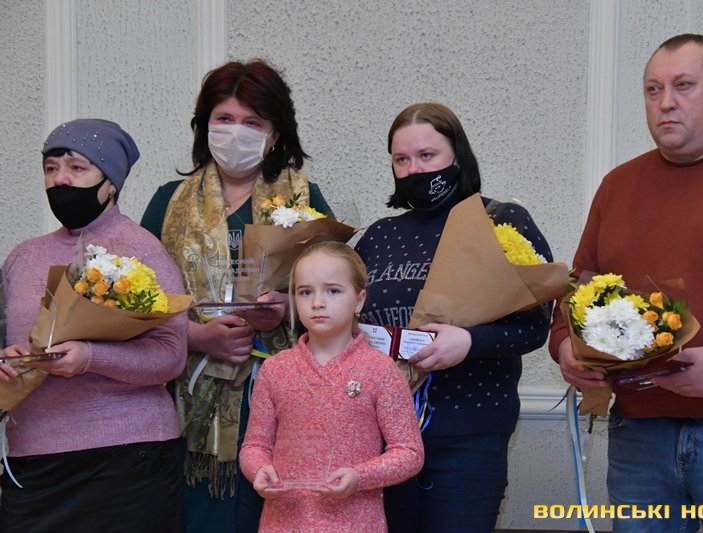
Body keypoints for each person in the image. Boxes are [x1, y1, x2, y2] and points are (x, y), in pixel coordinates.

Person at [549, 34, 703, 532]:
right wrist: (564, 348)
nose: (665, 102)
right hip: (637, 431)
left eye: (684, 85)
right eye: (653, 89)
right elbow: (580, 287)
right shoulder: (617, 185)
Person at [140, 58, 335, 532]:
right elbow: (141, 303)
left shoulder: (305, 200)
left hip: (278, 390)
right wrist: (195, 336)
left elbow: (340, 292)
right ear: (204, 125)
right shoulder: (168, 202)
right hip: (190, 393)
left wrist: (289, 309)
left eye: (252, 122)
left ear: (275, 134)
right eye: (224, 119)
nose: (236, 132)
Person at [354, 102, 554, 532]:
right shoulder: (378, 236)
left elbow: (536, 324)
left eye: (427, 155)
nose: (414, 169)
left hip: (470, 435)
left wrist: (469, 342)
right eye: (401, 159)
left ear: (457, 155)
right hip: (384, 438)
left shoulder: (500, 221)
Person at [0, 119, 188, 532]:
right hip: (34, 461)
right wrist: (8, 361)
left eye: (76, 167)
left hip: (127, 460)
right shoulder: (22, 257)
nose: (60, 180)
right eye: (51, 168)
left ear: (111, 184)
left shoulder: (143, 252)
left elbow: (171, 355)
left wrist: (90, 358)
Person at [239, 241, 424, 531]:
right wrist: (259, 470)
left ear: (359, 300)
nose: (317, 303)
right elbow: (254, 445)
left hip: (356, 523)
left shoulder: (380, 370)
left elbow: (409, 453)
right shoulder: (276, 369)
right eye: (305, 292)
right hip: (285, 522)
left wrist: (359, 476)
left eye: (333, 291)